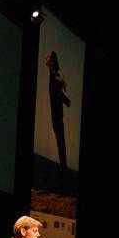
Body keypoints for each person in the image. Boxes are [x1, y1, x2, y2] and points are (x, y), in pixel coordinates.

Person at [46, 51, 71, 194]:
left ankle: (64, 186)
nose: (46, 58)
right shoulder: (53, 75)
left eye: (48, 57)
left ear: (53, 61)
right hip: (56, 119)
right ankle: (64, 184)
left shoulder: (54, 75)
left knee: (62, 151)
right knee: (62, 150)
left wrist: (65, 97)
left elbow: (63, 96)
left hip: (57, 119)